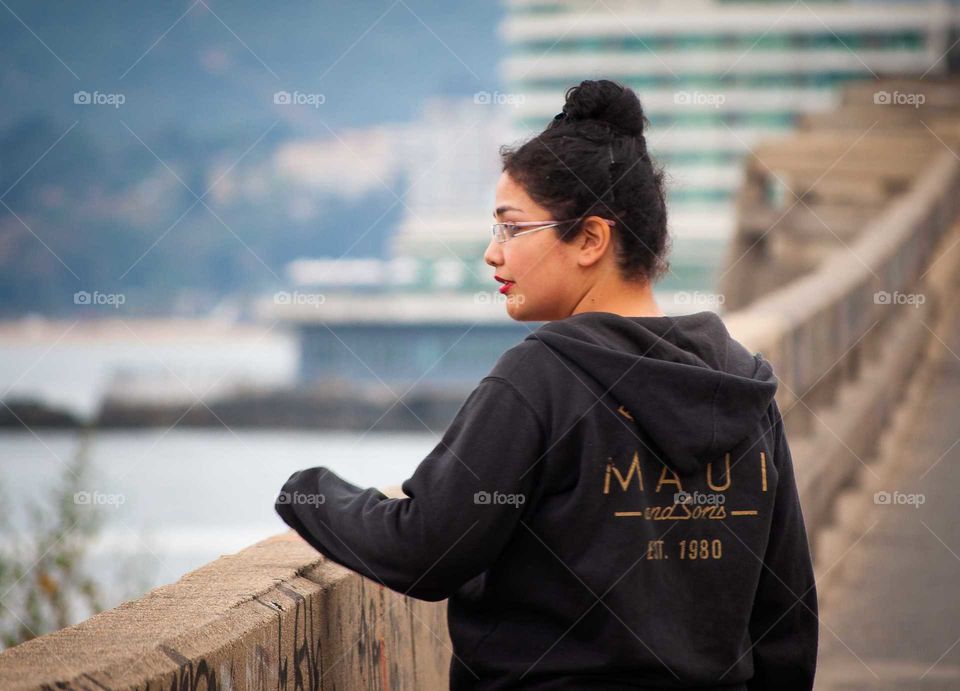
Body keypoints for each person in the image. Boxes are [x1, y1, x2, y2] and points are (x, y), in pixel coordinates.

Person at [275, 79, 818, 690]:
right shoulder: (737, 379)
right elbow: (787, 616)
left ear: (590, 239)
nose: (492, 253)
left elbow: (425, 548)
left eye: (512, 228)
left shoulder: (541, 379)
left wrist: (310, 491)